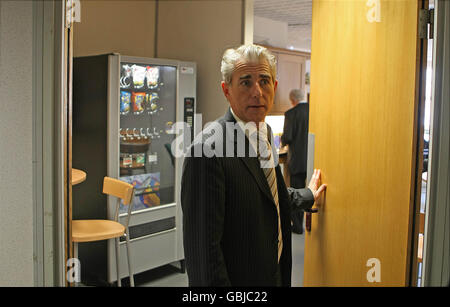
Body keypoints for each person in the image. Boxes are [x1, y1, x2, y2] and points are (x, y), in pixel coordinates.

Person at [181, 44, 326, 287]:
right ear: (226, 90)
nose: (257, 92)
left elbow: (266, 197)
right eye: (246, 82)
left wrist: (307, 194)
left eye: (264, 81)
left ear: (275, 87)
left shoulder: (265, 133)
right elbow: (204, 259)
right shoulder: (206, 152)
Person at [281, 88, 309, 234]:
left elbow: (288, 137)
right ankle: (307, 223)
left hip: (297, 161)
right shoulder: (313, 109)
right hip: (311, 159)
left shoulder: (291, 114)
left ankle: (298, 226)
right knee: (309, 191)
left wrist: (282, 140)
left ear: (292, 100)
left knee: (297, 192)